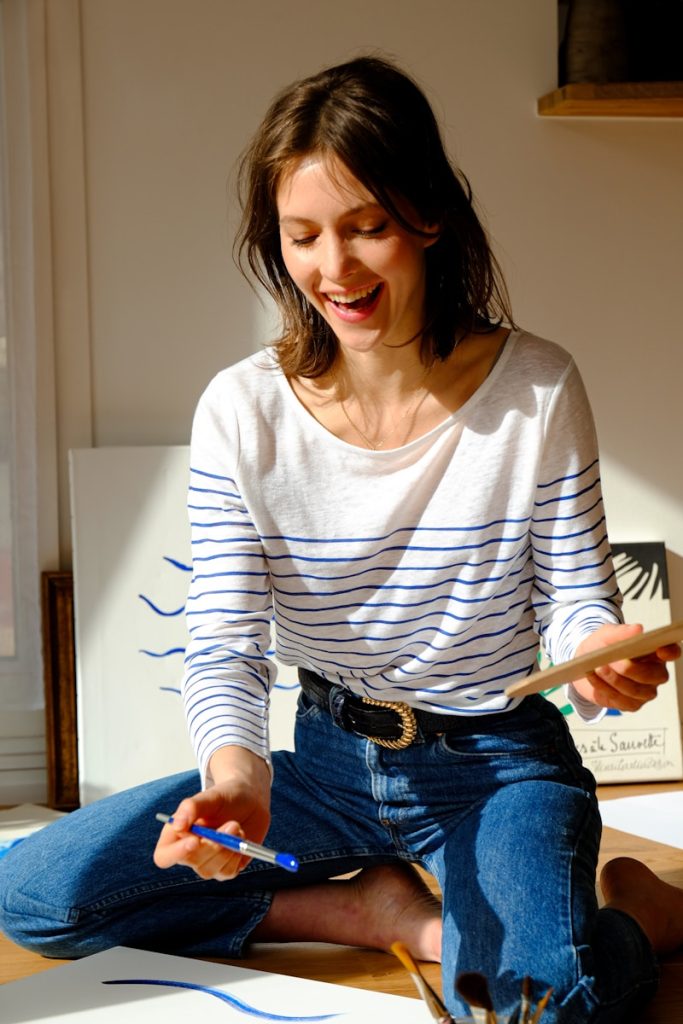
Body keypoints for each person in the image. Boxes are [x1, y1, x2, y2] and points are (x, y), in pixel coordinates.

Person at [1, 55, 682, 1023]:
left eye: (366, 227)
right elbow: (225, 641)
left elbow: (576, 599)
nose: (334, 268)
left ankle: (640, 916)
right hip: (325, 763)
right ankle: (366, 911)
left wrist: (595, 653)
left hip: (494, 769)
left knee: (534, 1004)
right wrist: (237, 780)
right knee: (37, 895)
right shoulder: (241, 410)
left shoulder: (536, 388)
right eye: (303, 235)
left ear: (428, 216)